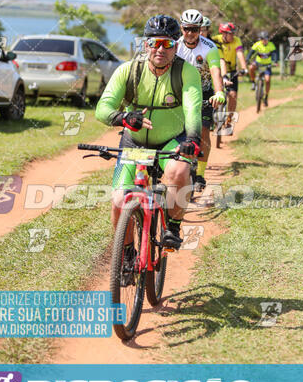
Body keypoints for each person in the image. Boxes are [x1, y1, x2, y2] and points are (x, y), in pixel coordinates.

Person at [96, 15, 223, 250]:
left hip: (171, 140)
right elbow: (102, 108)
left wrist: (193, 139)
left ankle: (172, 226)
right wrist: (123, 117)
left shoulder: (186, 72)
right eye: (155, 43)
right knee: (118, 201)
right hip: (134, 143)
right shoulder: (129, 70)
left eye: (168, 43)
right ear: (146, 45)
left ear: (177, 45)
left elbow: (192, 108)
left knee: (180, 170)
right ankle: (126, 255)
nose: (160, 49)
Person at [176, 9, 225, 192]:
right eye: (187, 29)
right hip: (181, 93)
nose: (190, 33)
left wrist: (219, 92)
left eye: (194, 29)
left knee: (204, 131)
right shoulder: (175, 46)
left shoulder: (209, 47)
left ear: (200, 29)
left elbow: (215, 71)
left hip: (204, 94)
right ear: (181, 28)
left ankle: (200, 174)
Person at [212, 23, 247, 126]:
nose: (232, 36)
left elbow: (240, 53)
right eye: (229, 34)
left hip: (231, 71)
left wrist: (244, 68)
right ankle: (213, 116)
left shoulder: (237, 40)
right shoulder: (215, 40)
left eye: (233, 33)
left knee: (233, 95)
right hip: (217, 71)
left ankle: (229, 119)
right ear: (223, 34)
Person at [247, 32, 277, 106]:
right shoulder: (257, 44)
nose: (265, 40)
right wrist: (247, 59)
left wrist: (275, 61)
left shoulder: (271, 45)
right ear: (260, 39)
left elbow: (274, 54)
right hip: (258, 63)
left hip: (267, 65)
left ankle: (266, 97)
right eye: (263, 39)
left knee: (267, 80)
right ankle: (253, 82)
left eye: (266, 39)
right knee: (251, 68)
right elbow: (251, 52)